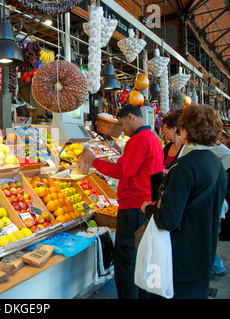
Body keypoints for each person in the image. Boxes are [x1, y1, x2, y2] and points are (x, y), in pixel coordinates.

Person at [141, 104, 226, 299]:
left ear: (186, 131)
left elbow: (168, 220)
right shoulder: (217, 165)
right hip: (203, 256)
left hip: (178, 261)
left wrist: (147, 208)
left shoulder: (184, 167)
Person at [79, 104, 164, 299]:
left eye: (122, 123)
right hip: (146, 206)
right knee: (141, 260)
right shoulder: (153, 138)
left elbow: (122, 171)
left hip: (134, 209)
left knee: (127, 262)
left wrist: (94, 160)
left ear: (132, 117)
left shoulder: (139, 140)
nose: (122, 129)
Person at [161, 109, 184, 174]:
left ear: (174, 129)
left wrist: (165, 171)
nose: (162, 131)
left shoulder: (185, 148)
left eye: (164, 128)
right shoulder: (167, 147)